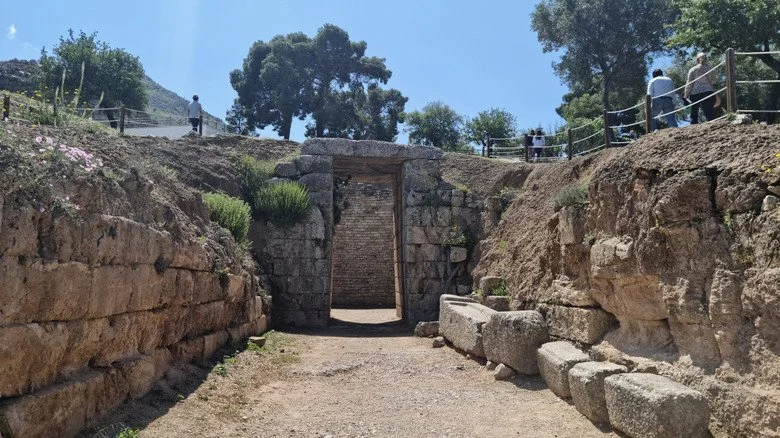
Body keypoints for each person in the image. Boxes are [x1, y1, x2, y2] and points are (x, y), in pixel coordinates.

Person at [684, 52, 717, 124]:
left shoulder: (692, 69)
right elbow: (714, 81)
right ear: (706, 59)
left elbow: (689, 84)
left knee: (694, 114)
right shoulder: (711, 68)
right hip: (708, 91)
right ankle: (712, 127)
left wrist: (686, 95)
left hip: (695, 93)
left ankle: (693, 128)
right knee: (709, 113)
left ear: (697, 60)